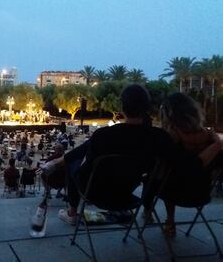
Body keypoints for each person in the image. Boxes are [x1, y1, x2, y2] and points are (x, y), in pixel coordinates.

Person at [50, 84, 177, 225]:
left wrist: (59, 163)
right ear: (147, 107)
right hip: (127, 194)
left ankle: (72, 213)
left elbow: (85, 170)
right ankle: (144, 212)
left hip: (95, 194)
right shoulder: (159, 137)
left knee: (74, 162)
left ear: (122, 107)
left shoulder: (103, 135)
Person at [159, 93, 223, 237]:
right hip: (201, 193)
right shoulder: (209, 136)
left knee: (163, 177)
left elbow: (176, 165)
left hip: (175, 193)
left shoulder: (173, 135)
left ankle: (169, 221)